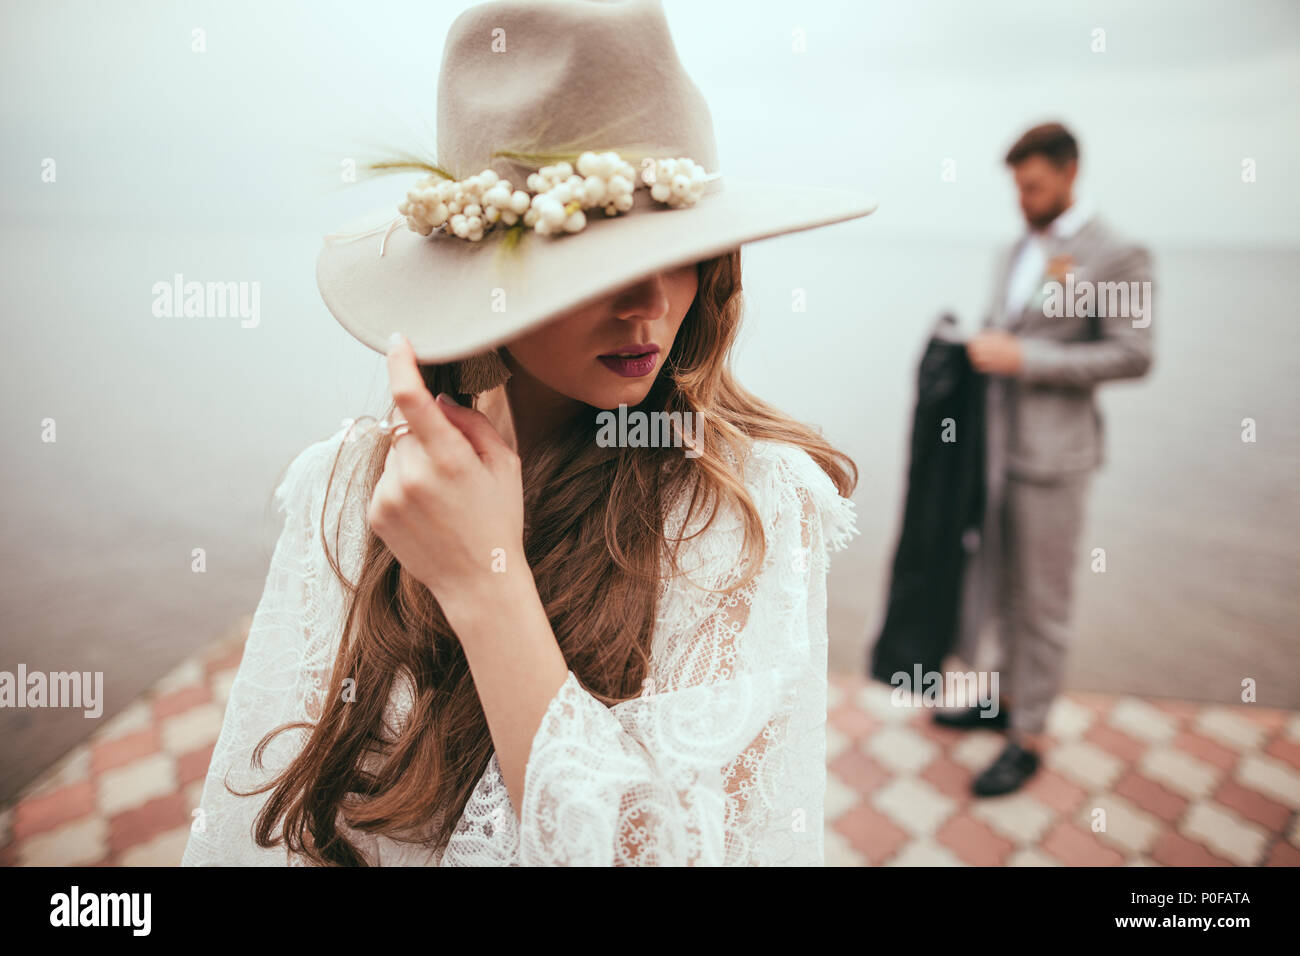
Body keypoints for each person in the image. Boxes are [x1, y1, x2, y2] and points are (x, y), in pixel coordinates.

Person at [181, 0, 876, 866]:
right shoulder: (347, 485)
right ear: (476, 267)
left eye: (676, 244)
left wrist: (485, 585)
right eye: (592, 250)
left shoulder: (747, 513)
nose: (650, 303)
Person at [937, 122, 1154, 797]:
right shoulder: (1013, 250)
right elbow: (1001, 326)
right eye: (1016, 187)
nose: (1022, 199)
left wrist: (1028, 358)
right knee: (1001, 585)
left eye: (1032, 186)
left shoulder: (1119, 253)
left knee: (1045, 604)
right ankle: (1002, 700)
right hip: (994, 451)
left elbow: (1135, 354)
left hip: (1056, 457)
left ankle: (1028, 738)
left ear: (1069, 172)